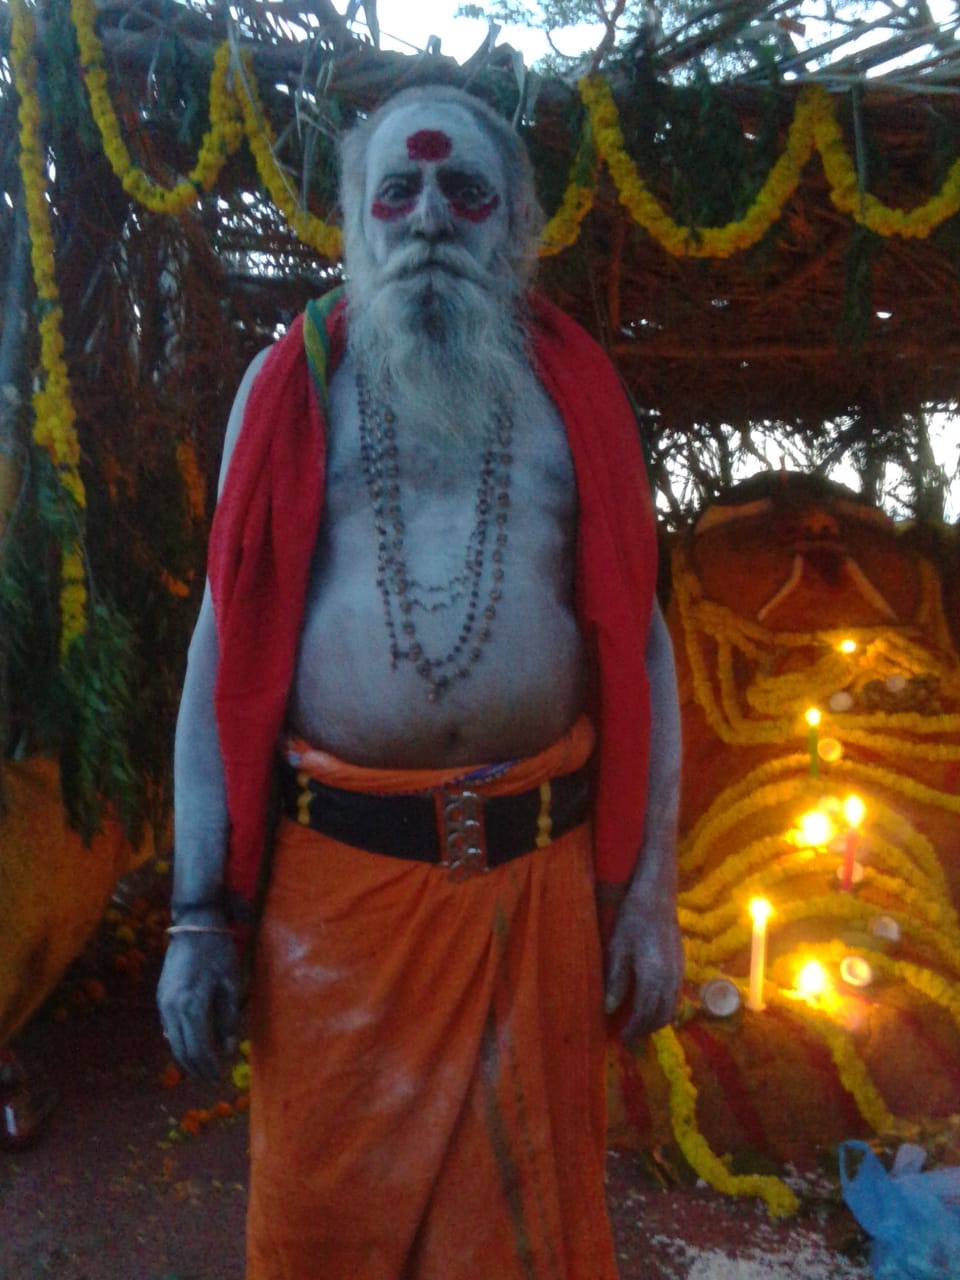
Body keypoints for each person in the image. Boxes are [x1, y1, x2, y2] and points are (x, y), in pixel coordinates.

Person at [158, 84, 683, 1279]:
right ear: (355, 222)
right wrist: (196, 919)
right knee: (320, 1237)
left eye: (463, 191)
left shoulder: (577, 395)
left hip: (531, 900)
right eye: (398, 191)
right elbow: (220, 658)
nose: (431, 216)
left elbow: (643, 648)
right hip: (337, 918)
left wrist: (652, 893)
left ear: (517, 225)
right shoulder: (287, 391)